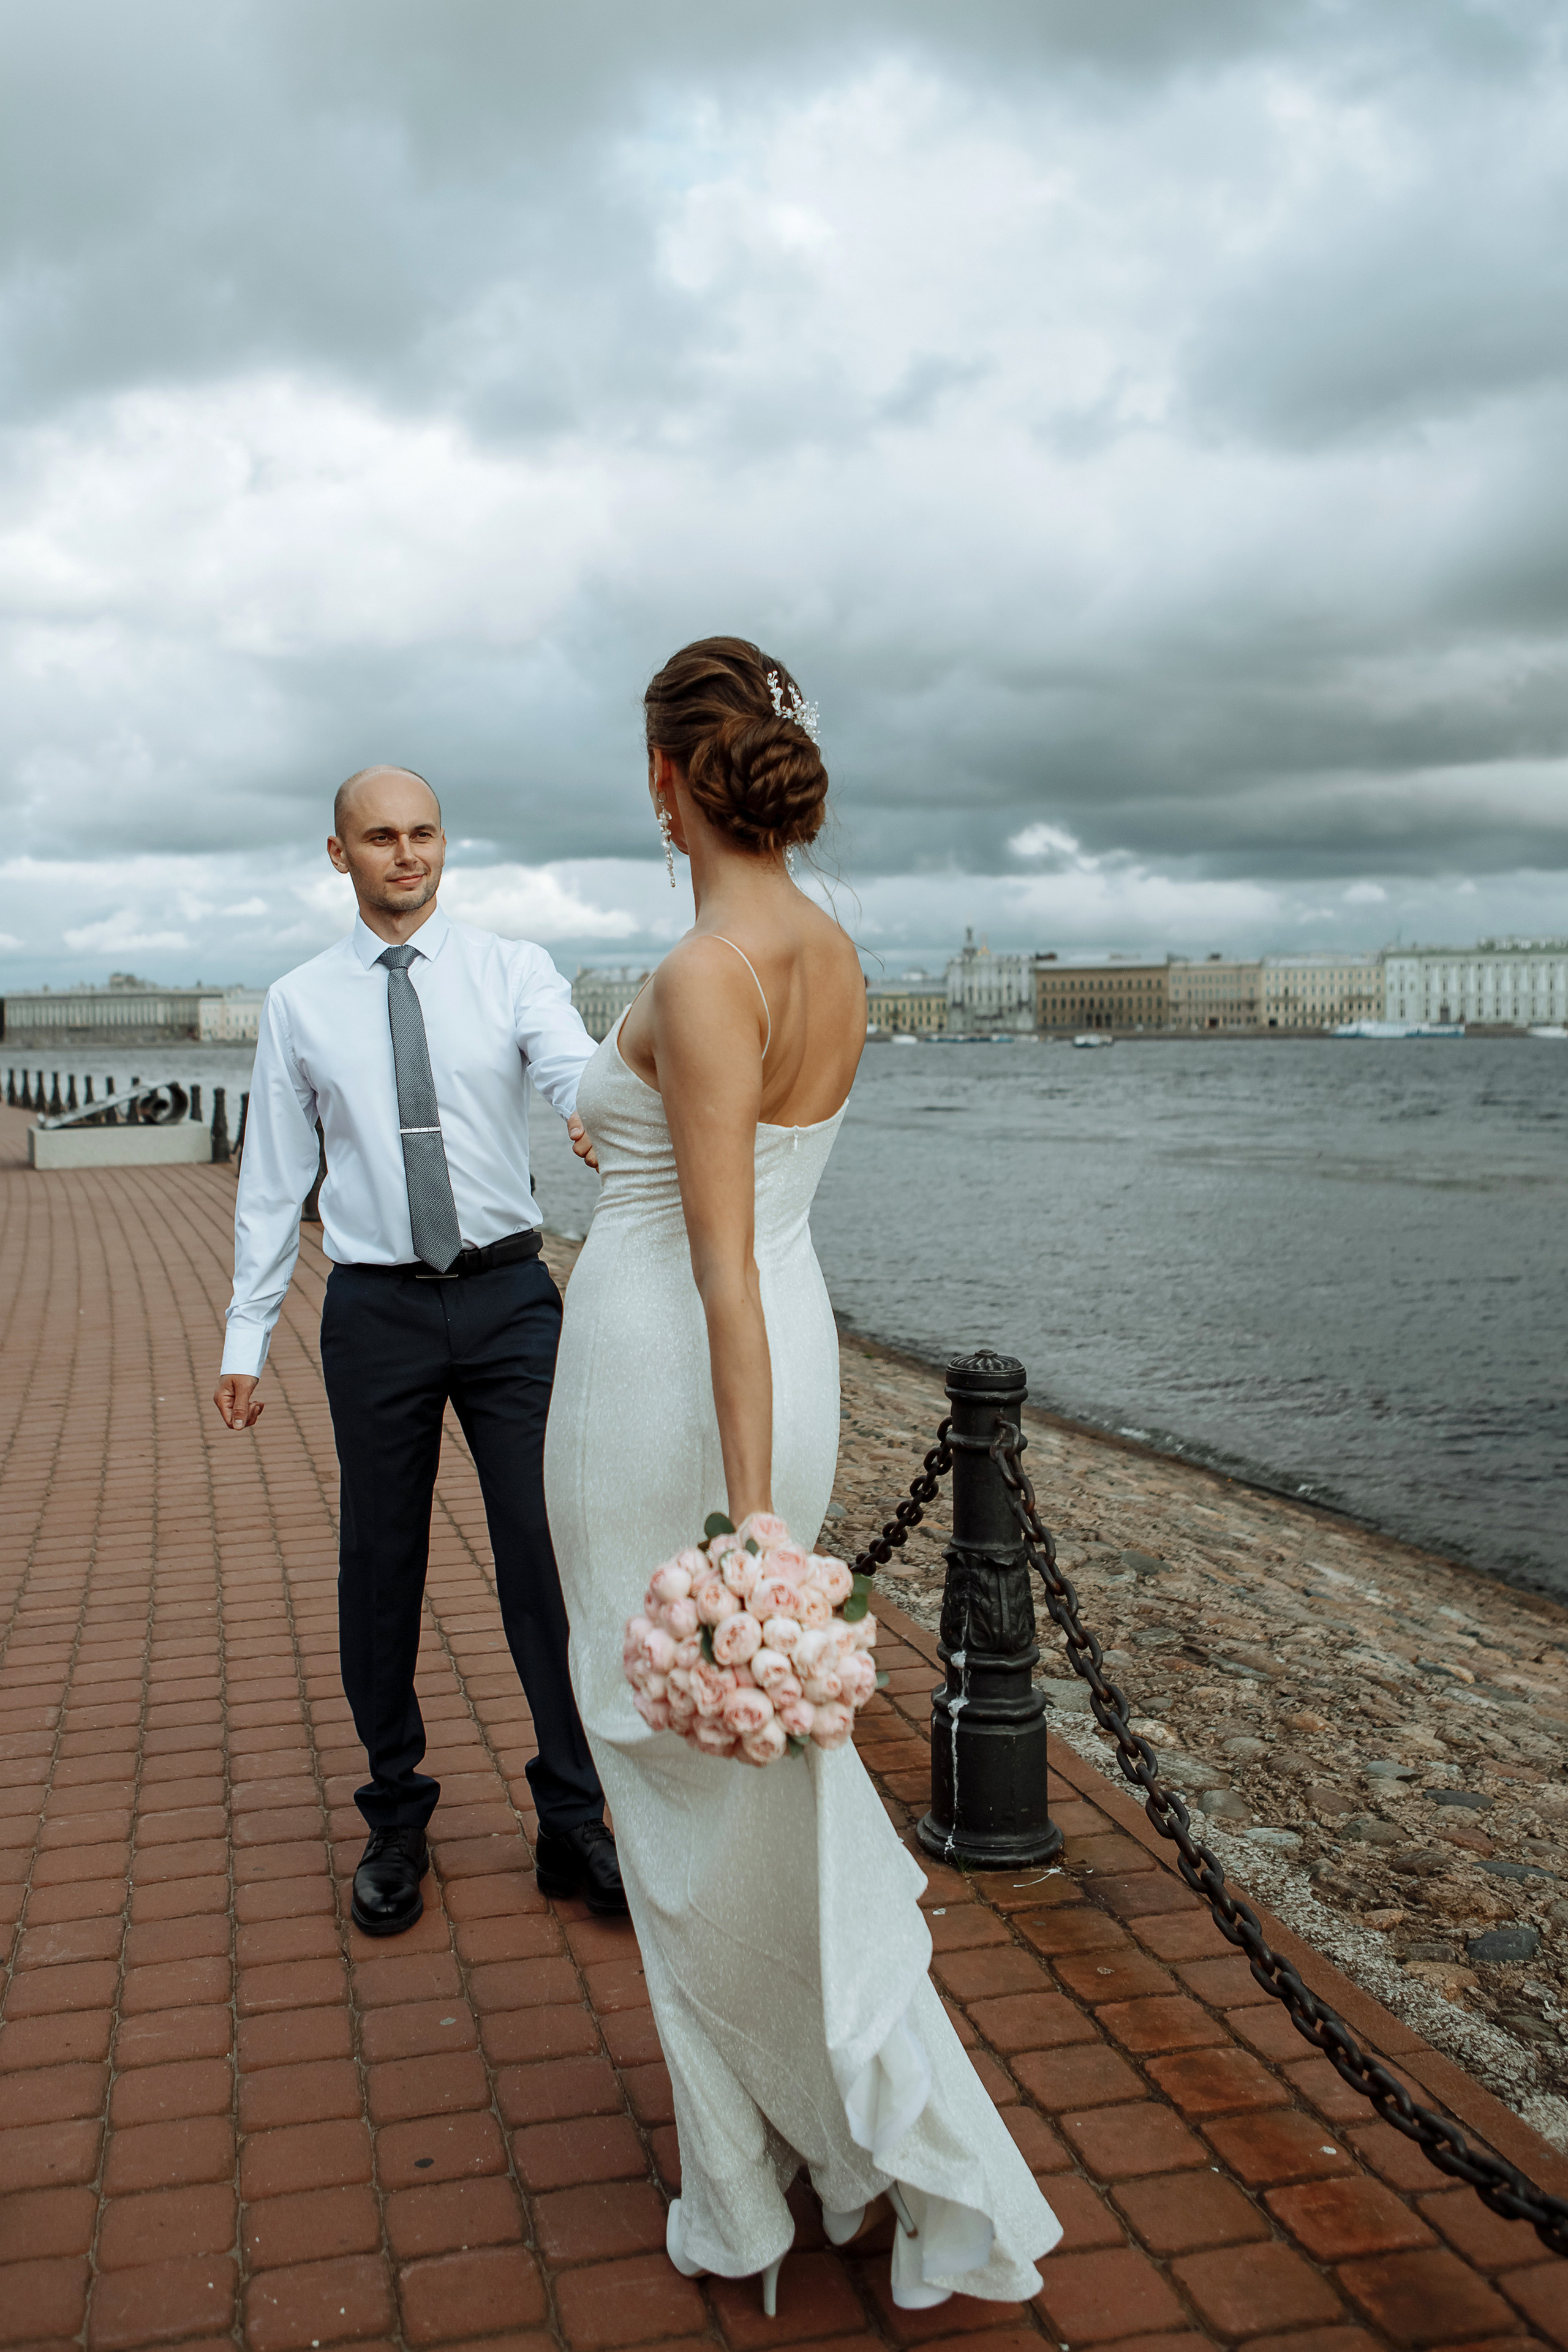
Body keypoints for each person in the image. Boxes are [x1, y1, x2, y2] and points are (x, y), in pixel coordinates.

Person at [544, 641, 1061, 2312]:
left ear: (663, 778)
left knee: (673, 1769)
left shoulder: (706, 967)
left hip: (677, 1391)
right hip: (789, 1360)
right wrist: (613, 1121)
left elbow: (718, 1273)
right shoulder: (823, 947)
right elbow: (744, 1173)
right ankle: (824, 2131)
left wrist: (753, 1539)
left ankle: (758, 2193)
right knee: (746, 1767)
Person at [213, 764, 625, 1935]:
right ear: (339, 855)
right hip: (377, 1313)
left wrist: (601, 1112)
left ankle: (572, 1816)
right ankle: (396, 1815)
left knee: (545, 1551)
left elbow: (570, 1065)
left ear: (446, 844)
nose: (409, 854)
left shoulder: (514, 970)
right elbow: (273, 1181)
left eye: (426, 833)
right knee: (382, 1563)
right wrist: (247, 1335)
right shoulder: (299, 1002)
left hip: (508, 1304)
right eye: (382, 837)